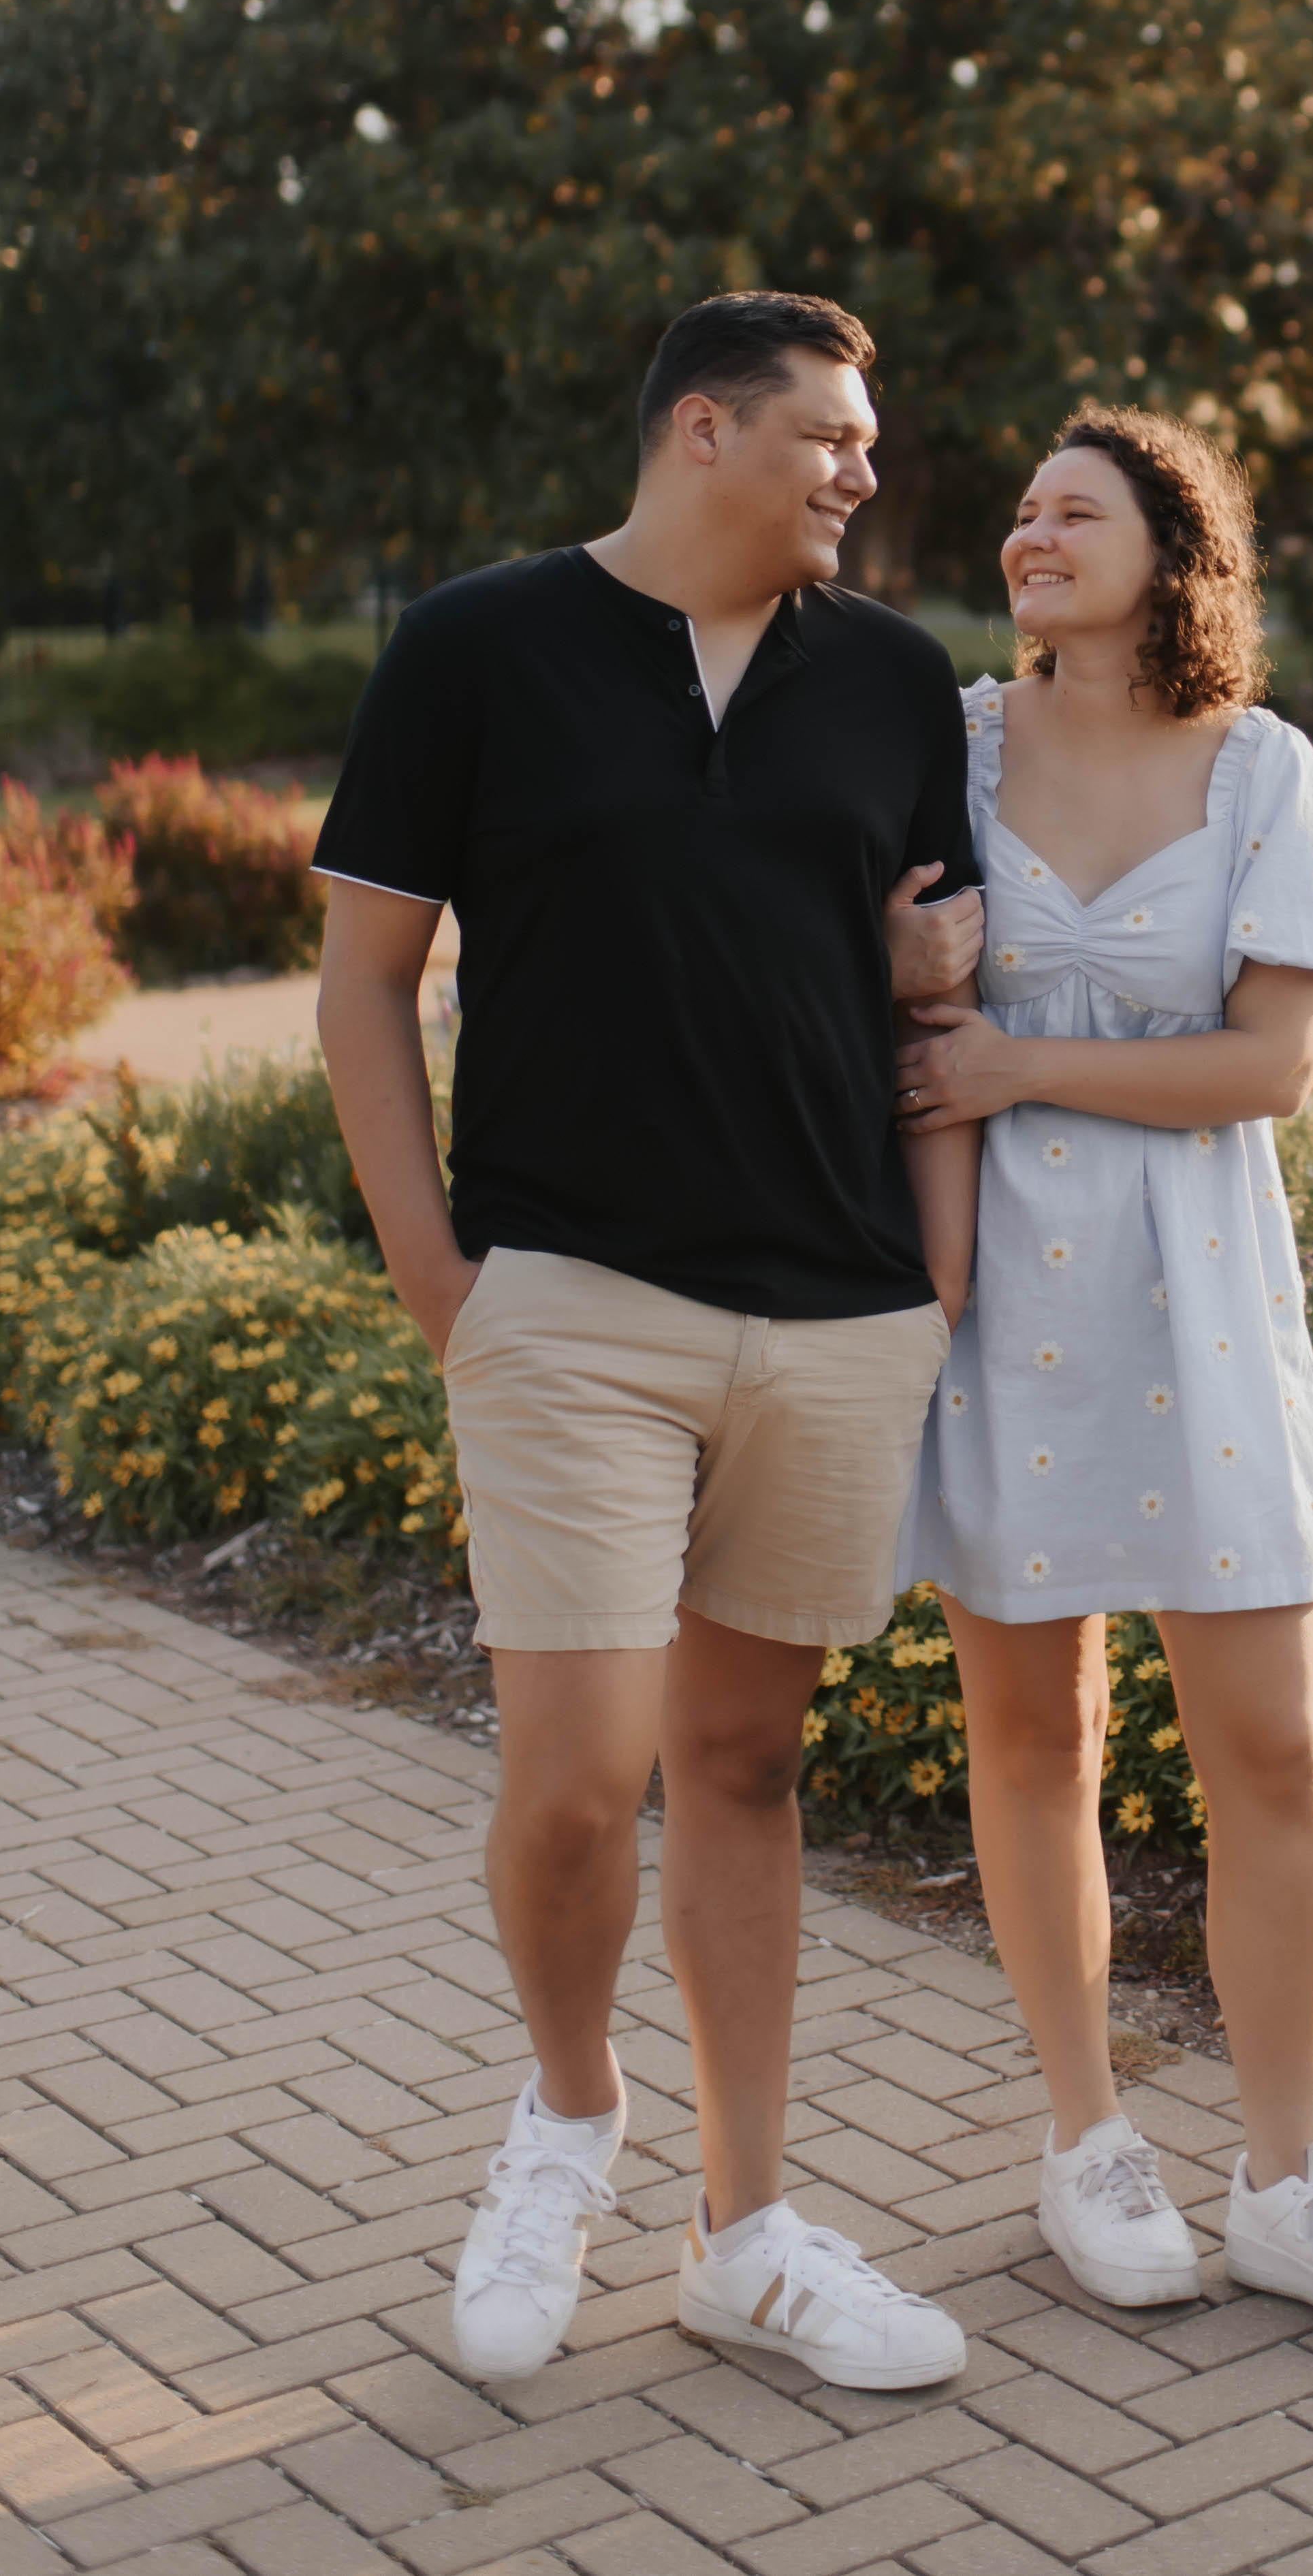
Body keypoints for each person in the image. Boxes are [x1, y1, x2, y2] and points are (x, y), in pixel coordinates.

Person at [311, 291, 989, 2391]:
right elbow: (363, 980)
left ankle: (747, 2229)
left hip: (837, 1304)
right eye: (829, 435)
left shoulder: (890, 679)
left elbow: (935, 991)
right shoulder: (476, 645)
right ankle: (569, 2115)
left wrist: (937, 1282)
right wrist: (442, 1278)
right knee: (578, 1777)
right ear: (703, 426)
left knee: (746, 1764)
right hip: (572, 1304)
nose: (861, 469)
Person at [889, 407, 1313, 2333]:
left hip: (1203, 1290)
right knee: (1035, 1735)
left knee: (1272, 1746)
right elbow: (887, 988)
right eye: (1022, 510)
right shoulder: (951, 745)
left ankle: (1288, 2176)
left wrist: (1017, 1060)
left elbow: (1272, 1065)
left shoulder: (1263, 769)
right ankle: (1087, 2143)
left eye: (1076, 510)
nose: (1031, 533)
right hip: (1001, 1294)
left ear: (1171, 550)